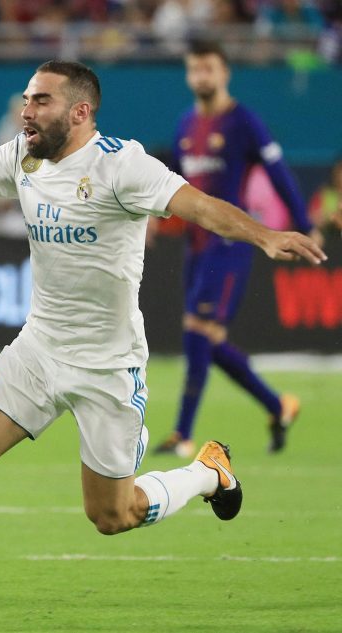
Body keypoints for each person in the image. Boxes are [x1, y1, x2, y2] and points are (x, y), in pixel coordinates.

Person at [0, 59, 326, 627]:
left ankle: (207, 472)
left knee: (112, 515)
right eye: (26, 99)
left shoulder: (122, 165)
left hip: (107, 365)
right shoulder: (22, 154)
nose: (26, 111)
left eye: (40, 101)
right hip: (39, 347)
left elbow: (200, 207)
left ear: (80, 111)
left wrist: (264, 235)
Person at [153, 40, 321, 459]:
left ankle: (182, 434)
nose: (201, 77)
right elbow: (176, 188)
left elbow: (277, 171)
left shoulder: (243, 121)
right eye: (194, 69)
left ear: (225, 72)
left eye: (208, 68)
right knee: (204, 339)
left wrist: (304, 225)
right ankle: (277, 405)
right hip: (196, 245)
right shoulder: (184, 125)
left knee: (200, 333)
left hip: (230, 243)